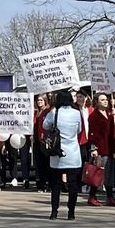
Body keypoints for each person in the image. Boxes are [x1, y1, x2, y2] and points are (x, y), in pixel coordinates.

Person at [43, 89, 83, 220]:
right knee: (73, 184)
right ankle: (71, 212)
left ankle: (54, 212)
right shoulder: (77, 113)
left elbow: (45, 125)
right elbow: (79, 129)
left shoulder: (54, 112)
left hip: (57, 152)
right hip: (73, 153)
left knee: (55, 185)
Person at [88, 92, 115, 206]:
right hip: (100, 148)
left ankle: (110, 197)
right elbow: (92, 134)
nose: (105, 101)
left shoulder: (108, 114)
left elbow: (111, 133)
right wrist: (93, 148)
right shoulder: (94, 116)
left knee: (109, 173)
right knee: (98, 173)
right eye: (102, 100)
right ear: (96, 102)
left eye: (106, 99)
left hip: (109, 147)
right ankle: (92, 195)